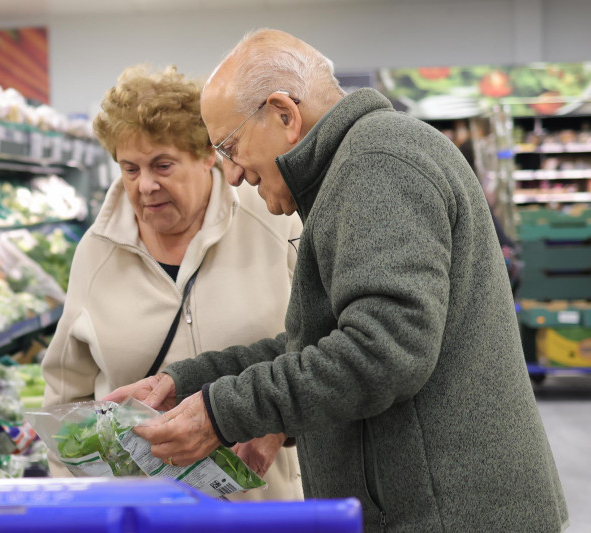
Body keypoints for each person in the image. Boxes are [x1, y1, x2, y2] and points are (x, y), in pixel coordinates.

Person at [106, 30, 569, 532]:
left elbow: (383, 352)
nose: (233, 174)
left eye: (231, 146)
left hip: (445, 515)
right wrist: (189, 383)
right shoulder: (360, 163)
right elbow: (324, 341)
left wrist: (220, 413)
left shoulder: (377, 164)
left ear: (284, 114)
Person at [41, 64, 304, 501]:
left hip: (264, 505)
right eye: (129, 169)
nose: (145, 185)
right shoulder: (97, 251)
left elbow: (320, 349)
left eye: (163, 165)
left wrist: (281, 422)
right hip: (140, 513)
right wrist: (75, 504)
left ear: (208, 155)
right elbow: (64, 402)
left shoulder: (273, 222)